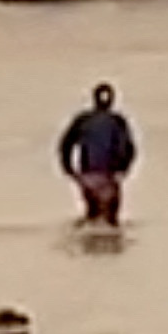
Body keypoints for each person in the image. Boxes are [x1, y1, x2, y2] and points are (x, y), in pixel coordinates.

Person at [58, 82, 138, 227]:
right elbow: (128, 147)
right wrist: (123, 170)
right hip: (109, 176)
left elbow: (65, 145)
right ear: (113, 100)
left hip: (88, 175)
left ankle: (88, 243)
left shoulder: (82, 120)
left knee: (92, 215)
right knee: (111, 220)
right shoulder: (117, 121)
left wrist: (69, 169)